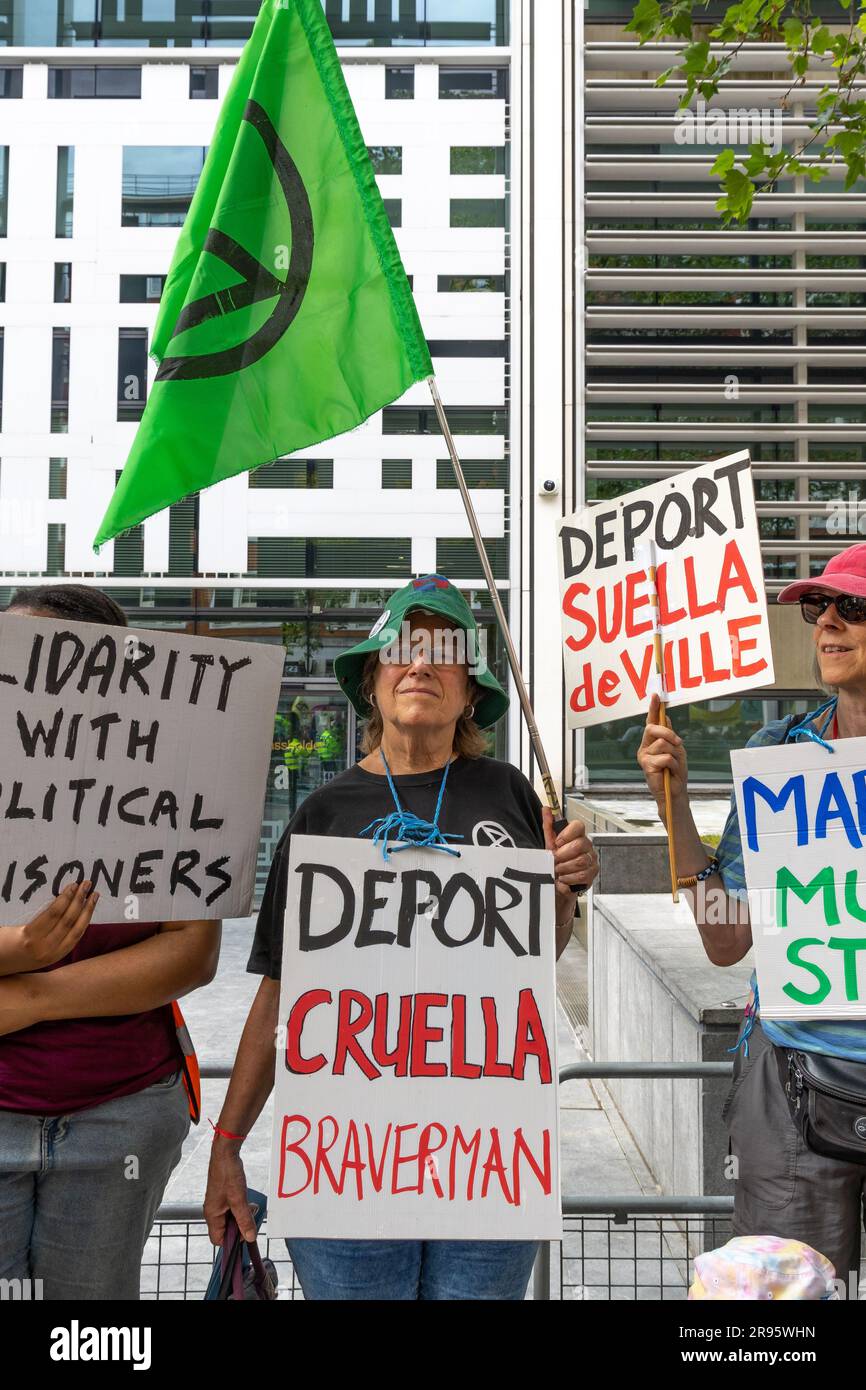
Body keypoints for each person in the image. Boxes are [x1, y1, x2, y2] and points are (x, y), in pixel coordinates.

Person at [205, 575, 599, 1301]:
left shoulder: (511, 792)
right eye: (400, 650)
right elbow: (278, 992)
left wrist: (564, 890)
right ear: (372, 681)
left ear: (471, 690)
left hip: (488, 1157)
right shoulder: (322, 815)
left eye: (443, 650)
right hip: (348, 1162)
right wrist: (227, 1146)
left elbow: (537, 948)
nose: (420, 664)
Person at [637, 543, 866, 1298]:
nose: (826, 623)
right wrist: (675, 805)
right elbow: (726, 936)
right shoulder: (780, 755)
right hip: (793, 1082)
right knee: (778, 1321)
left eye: (850, 607)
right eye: (816, 608)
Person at [0, 585, 221, 1300]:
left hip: (120, 1116)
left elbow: (191, 951)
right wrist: (16, 951)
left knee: (93, 1329)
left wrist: (29, 996)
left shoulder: (171, 786)